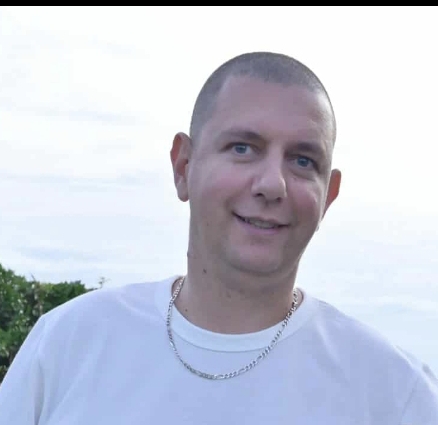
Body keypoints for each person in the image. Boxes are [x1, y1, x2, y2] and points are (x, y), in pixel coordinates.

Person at [0, 51, 437, 424]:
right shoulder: (67, 344)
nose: (272, 184)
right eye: (243, 148)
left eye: (303, 161)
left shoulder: (398, 395)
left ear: (328, 196)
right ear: (183, 167)